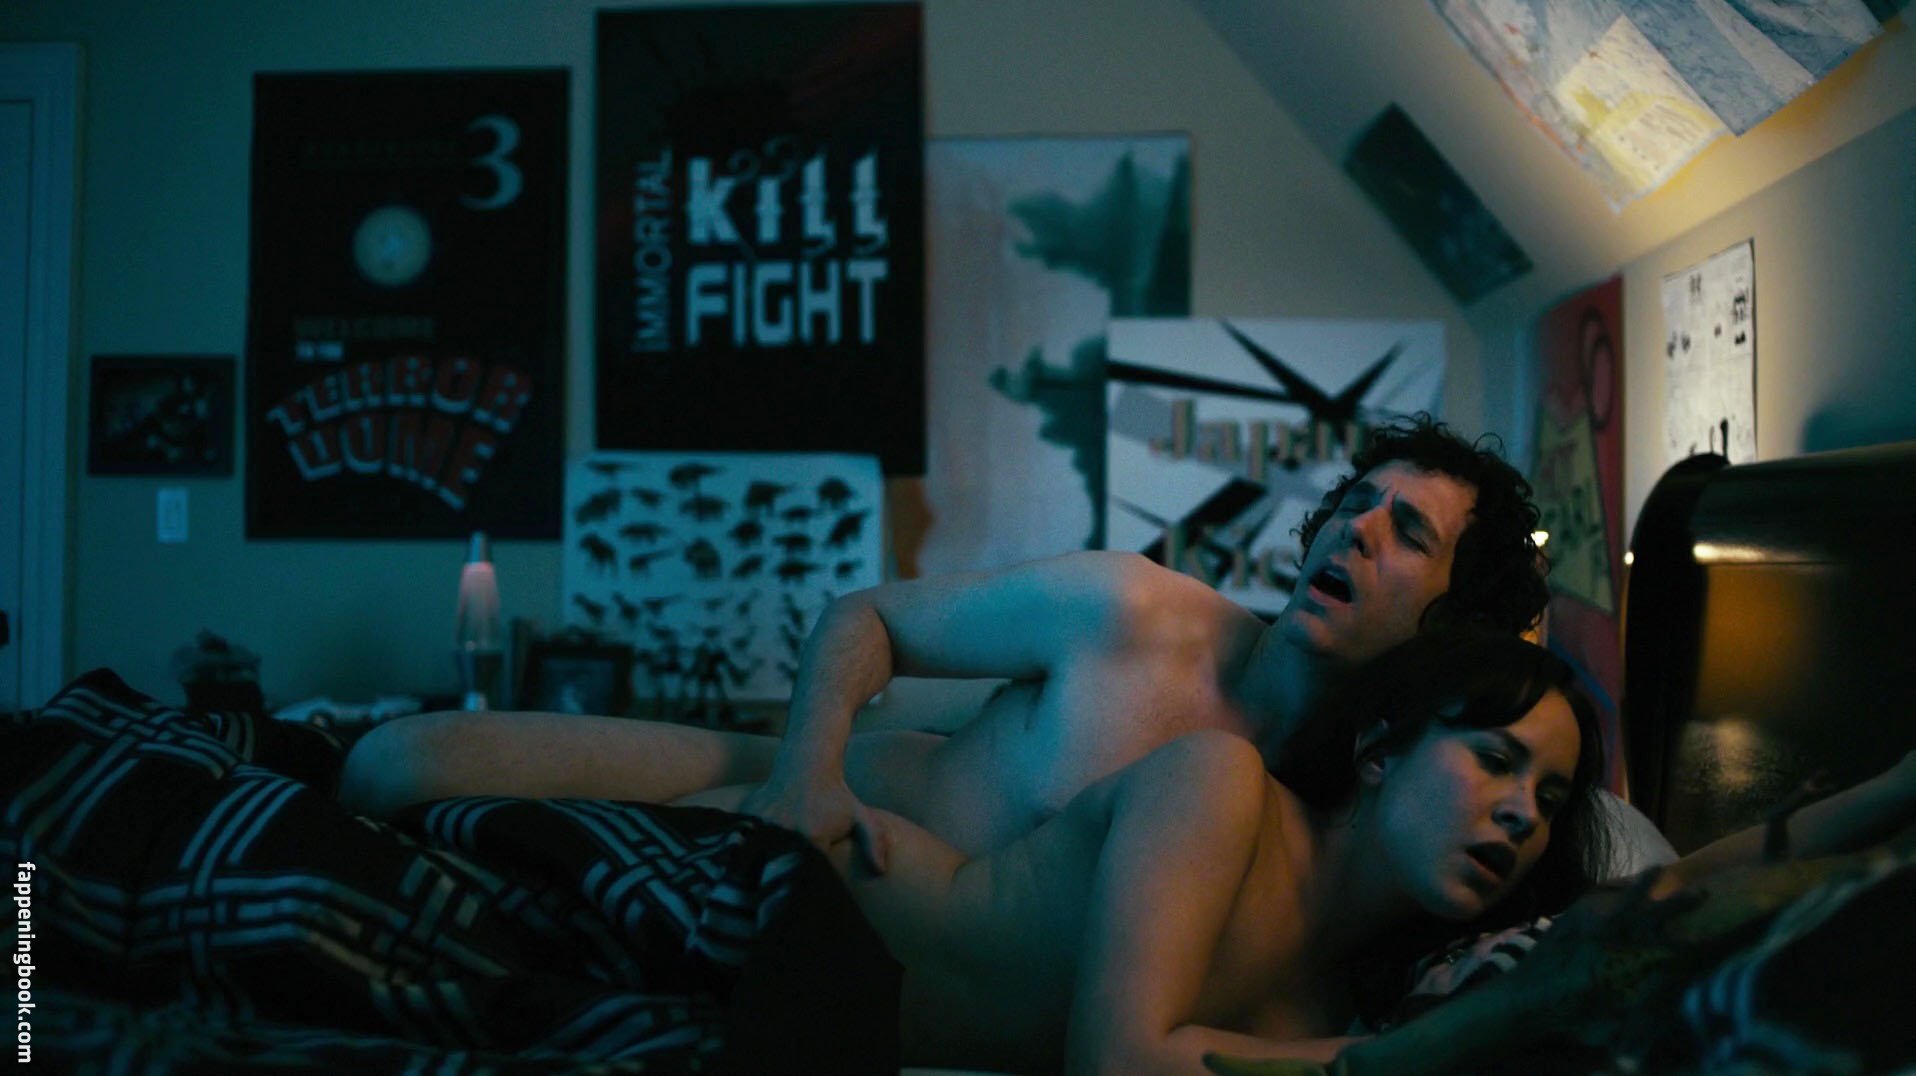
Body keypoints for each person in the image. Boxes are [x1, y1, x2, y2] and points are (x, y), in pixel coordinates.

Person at [339, 414, 1550, 872]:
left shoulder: (1372, 799)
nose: (1351, 528)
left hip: (878, 935)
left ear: (1450, 622)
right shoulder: (1136, 612)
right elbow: (863, 615)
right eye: (1351, 503)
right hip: (790, 790)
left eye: (1405, 533)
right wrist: (803, 774)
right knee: (390, 765)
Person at [706, 628, 1613, 1072]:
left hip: (776, 1024)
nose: (1520, 816)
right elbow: (1116, 1062)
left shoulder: (1325, 1009)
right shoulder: (1223, 789)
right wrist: (1421, 1050)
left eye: (1549, 800)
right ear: (1380, 753)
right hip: (758, 896)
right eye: (1496, 761)